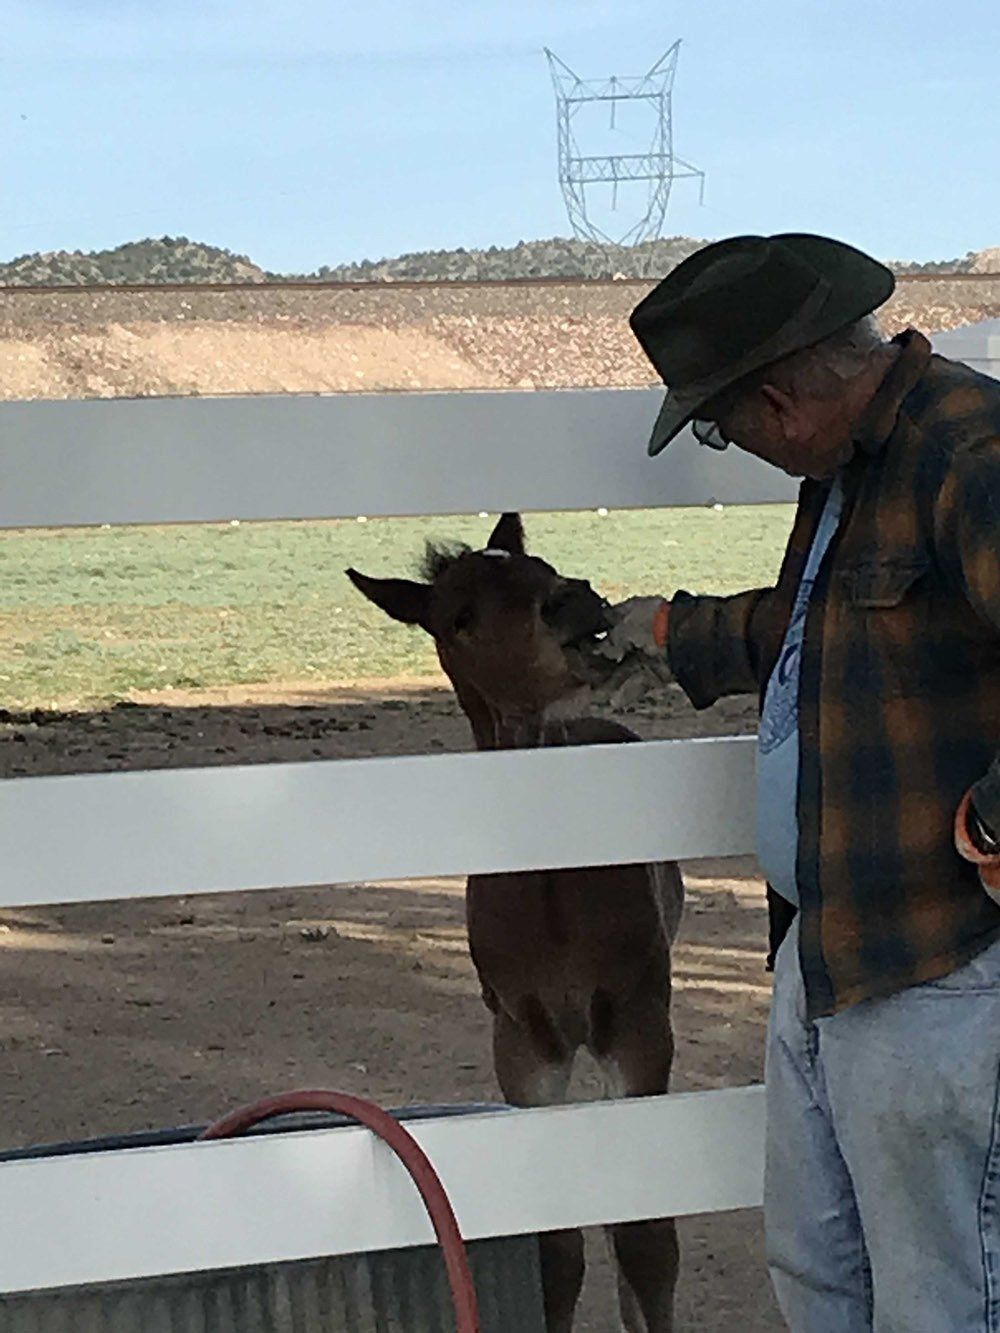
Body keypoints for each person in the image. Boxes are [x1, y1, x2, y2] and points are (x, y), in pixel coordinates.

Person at [605, 233, 1000, 1331]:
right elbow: (823, 629)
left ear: (778, 400)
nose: (741, 447)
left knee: (944, 1294)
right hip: (832, 953)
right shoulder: (853, 472)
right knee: (822, 1276)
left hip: (944, 963)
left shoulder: (970, 452)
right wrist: (675, 632)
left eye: (725, 428)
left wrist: (991, 825)